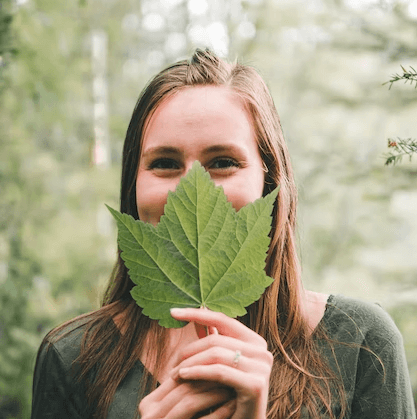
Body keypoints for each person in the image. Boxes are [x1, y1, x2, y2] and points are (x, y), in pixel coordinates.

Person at [31, 48, 416, 419]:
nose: (192, 190)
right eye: (164, 163)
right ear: (132, 185)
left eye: (223, 163)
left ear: (269, 182)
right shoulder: (73, 358)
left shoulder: (361, 343)